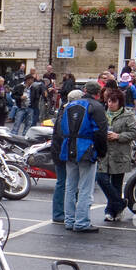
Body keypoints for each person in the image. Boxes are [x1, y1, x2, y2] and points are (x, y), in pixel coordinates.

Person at [50, 87, 107, 232]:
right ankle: (82, 221)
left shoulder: (68, 106)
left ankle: (70, 220)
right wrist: (101, 151)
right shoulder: (95, 106)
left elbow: (61, 129)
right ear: (97, 93)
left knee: (70, 186)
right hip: (86, 149)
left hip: (68, 148)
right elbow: (101, 131)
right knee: (85, 188)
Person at [98, 86, 136, 222]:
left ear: (120, 102)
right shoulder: (102, 114)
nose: (111, 104)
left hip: (120, 154)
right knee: (101, 179)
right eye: (109, 101)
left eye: (114, 102)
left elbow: (134, 133)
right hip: (104, 153)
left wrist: (118, 136)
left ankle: (112, 211)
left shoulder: (128, 115)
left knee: (116, 184)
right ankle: (120, 203)